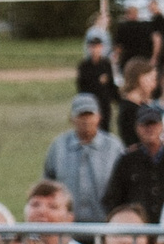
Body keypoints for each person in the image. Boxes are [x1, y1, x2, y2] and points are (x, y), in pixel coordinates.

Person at [44, 95, 123, 226]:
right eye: (81, 116)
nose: (86, 120)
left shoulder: (113, 147)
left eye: (90, 115)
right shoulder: (59, 146)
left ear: (99, 117)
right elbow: (48, 184)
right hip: (67, 225)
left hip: (105, 224)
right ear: (72, 119)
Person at [74, 37, 119, 118]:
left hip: (104, 102)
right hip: (90, 102)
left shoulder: (106, 64)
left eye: (98, 47)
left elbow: (111, 83)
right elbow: (81, 85)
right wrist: (98, 81)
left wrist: (117, 98)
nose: (95, 50)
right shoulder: (84, 66)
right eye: (93, 47)